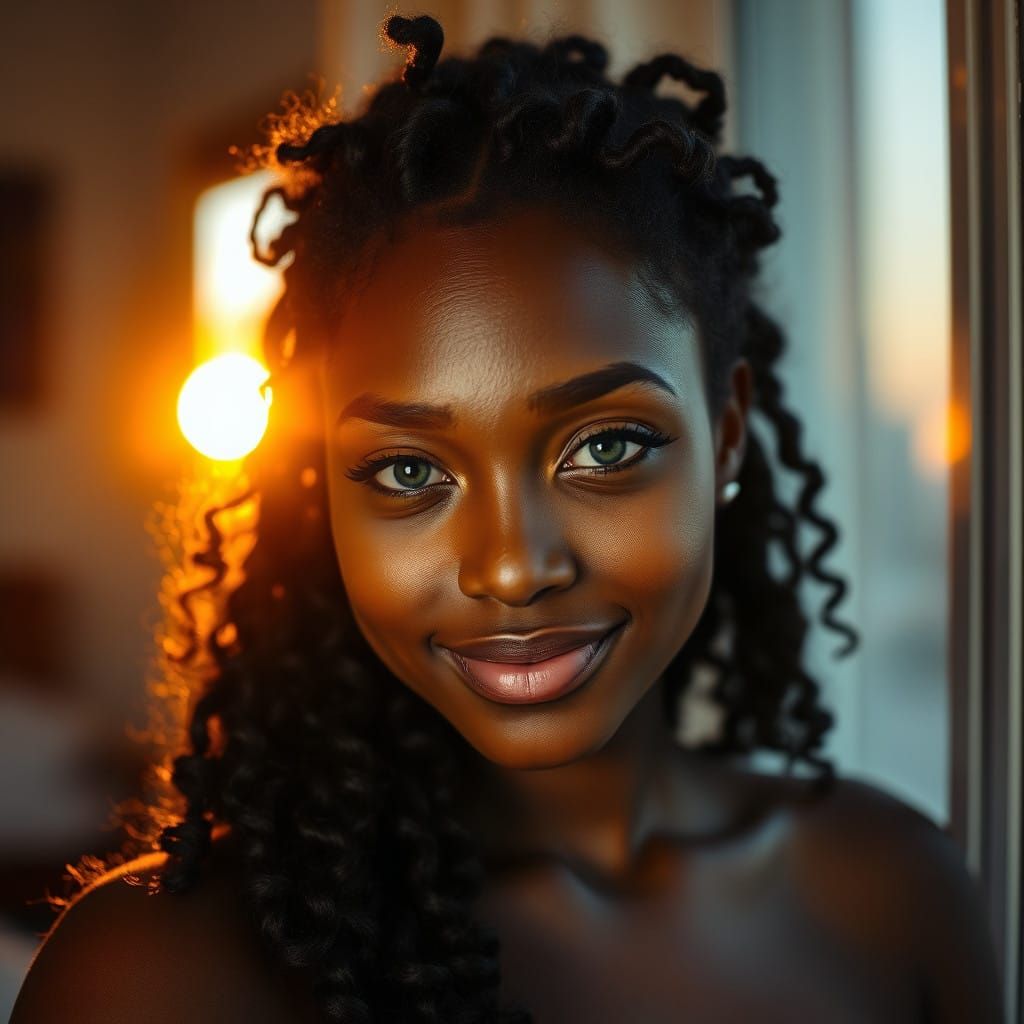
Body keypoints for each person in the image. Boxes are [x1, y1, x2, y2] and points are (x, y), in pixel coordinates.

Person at [11, 13, 1003, 1023]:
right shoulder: (149, 976)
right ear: (325, 485)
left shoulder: (895, 896)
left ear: (729, 433)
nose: (513, 566)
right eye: (407, 468)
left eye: (605, 448)